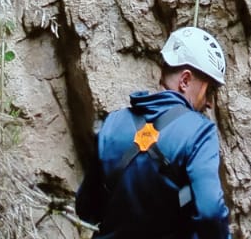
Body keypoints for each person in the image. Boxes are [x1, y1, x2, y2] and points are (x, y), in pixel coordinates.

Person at [75, 26, 232, 239]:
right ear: (185, 80)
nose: (210, 103)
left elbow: (86, 209)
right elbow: (210, 212)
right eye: (210, 90)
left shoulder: (113, 123)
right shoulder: (199, 133)